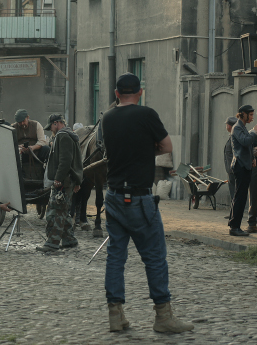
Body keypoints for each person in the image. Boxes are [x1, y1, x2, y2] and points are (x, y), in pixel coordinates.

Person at [102, 73, 192, 333]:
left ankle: (115, 316)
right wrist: (145, 150)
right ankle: (163, 318)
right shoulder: (146, 114)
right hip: (139, 197)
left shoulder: (107, 118)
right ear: (140, 92)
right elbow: (166, 146)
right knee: (154, 257)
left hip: (114, 195)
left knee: (115, 257)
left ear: (116, 93)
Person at [36, 114, 83, 253]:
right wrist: (77, 181)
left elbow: (65, 160)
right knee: (63, 211)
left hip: (63, 181)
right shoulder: (70, 135)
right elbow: (76, 161)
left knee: (55, 212)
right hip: (69, 180)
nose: (51, 130)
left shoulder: (63, 136)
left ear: (56, 123)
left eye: (51, 126)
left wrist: (58, 178)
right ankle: (69, 240)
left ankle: (52, 243)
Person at [228, 104, 256, 237]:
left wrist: (253, 158)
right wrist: (253, 132)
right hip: (240, 166)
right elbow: (245, 142)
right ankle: (234, 227)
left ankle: (234, 225)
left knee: (240, 196)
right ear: (242, 114)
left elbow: (248, 147)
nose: (252, 117)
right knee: (240, 197)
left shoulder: (242, 127)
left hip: (245, 165)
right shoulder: (238, 127)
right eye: (250, 114)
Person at [224, 116, 238, 204]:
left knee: (234, 192)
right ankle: (233, 212)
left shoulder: (234, 137)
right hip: (231, 170)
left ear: (229, 126)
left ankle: (234, 213)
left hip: (233, 169)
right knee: (233, 191)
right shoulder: (233, 136)